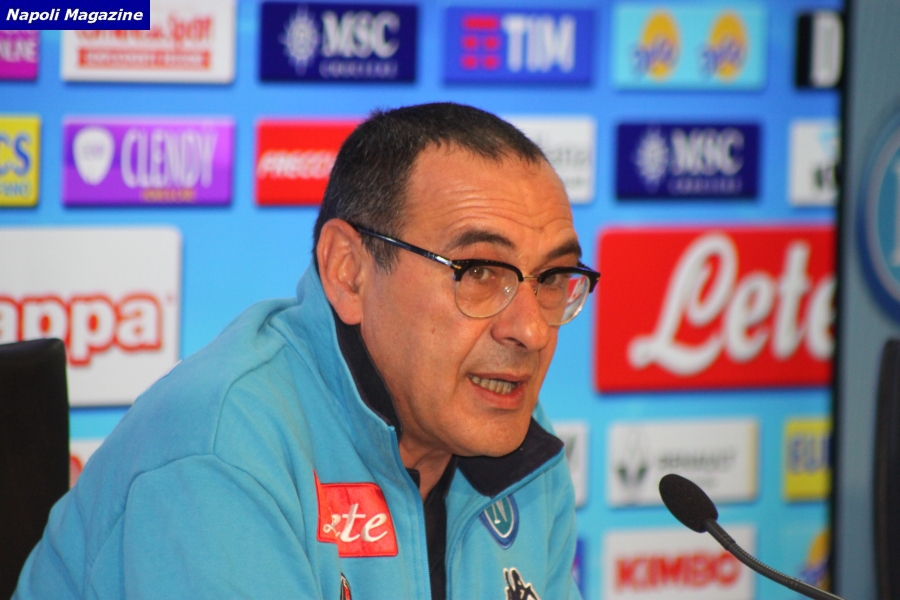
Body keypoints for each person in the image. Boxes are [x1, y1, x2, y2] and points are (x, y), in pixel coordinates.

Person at [14, 102, 599, 600]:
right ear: (349, 272)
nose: (531, 330)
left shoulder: (522, 441)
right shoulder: (223, 448)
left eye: (552, 278)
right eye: (479, 272)